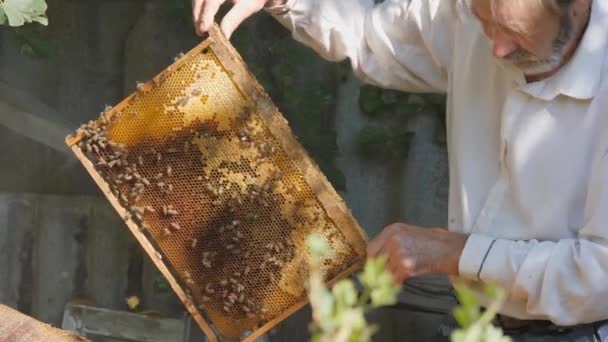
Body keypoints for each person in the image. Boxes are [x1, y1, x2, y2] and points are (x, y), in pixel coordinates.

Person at [192, 0, 608, 340]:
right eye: (485, 21)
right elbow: (375, 35)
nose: (495, 49)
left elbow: (599, 275)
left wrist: (452, 252)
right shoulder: (468, 14)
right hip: (474, 322)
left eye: (515, 35)